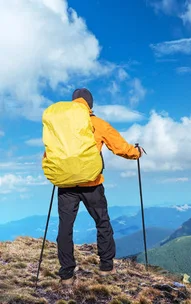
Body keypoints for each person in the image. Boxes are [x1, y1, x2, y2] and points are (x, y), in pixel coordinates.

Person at [44, 88, 143, 286]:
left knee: (65, 227)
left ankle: (66, 274)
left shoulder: (60, 126)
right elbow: (119, 147)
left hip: (66, 184)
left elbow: (49, 152)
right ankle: (106, 267)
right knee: (102, 222)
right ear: (90, 104)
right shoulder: (96, 123)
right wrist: (136, 152)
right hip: (92, 183)